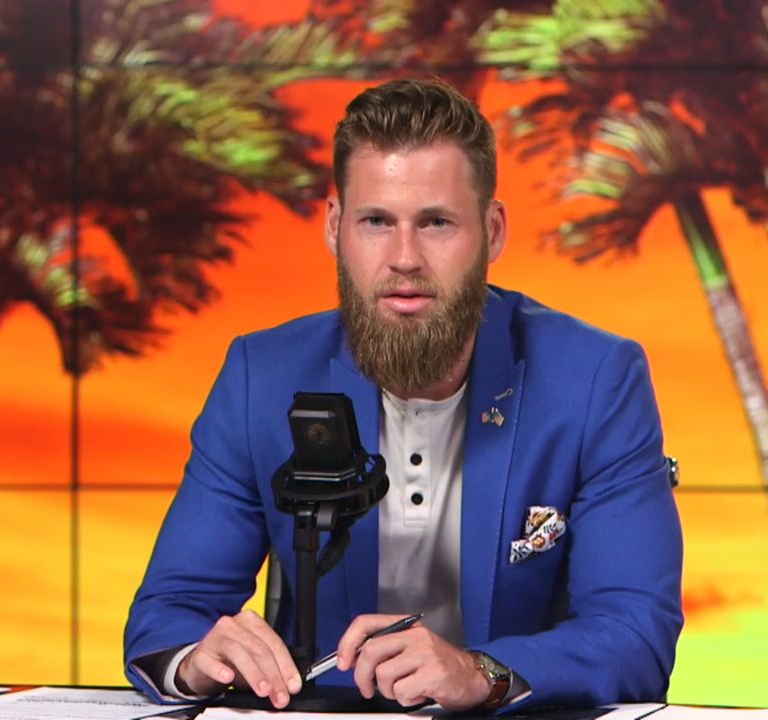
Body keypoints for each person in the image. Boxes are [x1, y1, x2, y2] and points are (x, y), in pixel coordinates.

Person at [123, 77, 684, 713]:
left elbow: (636, 633)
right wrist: (198, 660)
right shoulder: (261, 376)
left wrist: (481, 674)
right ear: (335, 228)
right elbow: (167, 616)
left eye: (436, 222)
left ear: (493, 230)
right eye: (376, 222)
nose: (405, 258)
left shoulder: (597, 379)